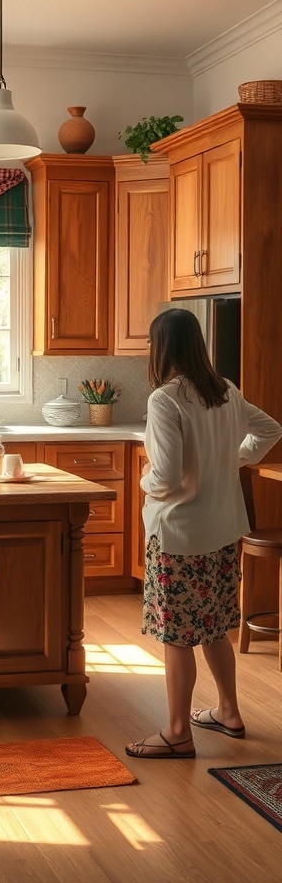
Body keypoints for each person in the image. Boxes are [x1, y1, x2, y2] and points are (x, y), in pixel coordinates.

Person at [126, 308, 282, 760]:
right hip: (224, 530)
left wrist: (143, 482)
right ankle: (228, 711)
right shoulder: (225, 390)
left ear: (162, 348)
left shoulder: (165, 399)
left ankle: (177, 732)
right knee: (213, 627)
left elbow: (167, 475)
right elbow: (271, 430)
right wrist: (230, 460)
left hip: (180, 535)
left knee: (176, 636)